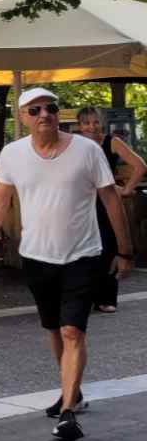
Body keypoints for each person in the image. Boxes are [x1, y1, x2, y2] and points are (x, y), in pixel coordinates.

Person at [0, 89, 132, 441]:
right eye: (35, 110)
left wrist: (124, 250)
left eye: (51, 108)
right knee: (56, 330)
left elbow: (110, 199)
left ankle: (68, 412)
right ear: (23, 118)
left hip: (83, 255)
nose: (44, 114)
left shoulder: (87, 150)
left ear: (58, 114)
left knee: (73, 330)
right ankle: (71, 390)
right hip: (37, 257)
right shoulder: (13, 154)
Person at [76, 106, 144, 314]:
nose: (92, 127)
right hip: (81, 201)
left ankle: (106, 297)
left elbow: (140, 166)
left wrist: (126, 190)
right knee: (82, 248)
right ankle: (83, 297)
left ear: (102, 123)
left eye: (96, 122)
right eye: (86, 123)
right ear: (79, 125)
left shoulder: (111, 142)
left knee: (108, 246)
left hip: (106, 200)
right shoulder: (74, 143)